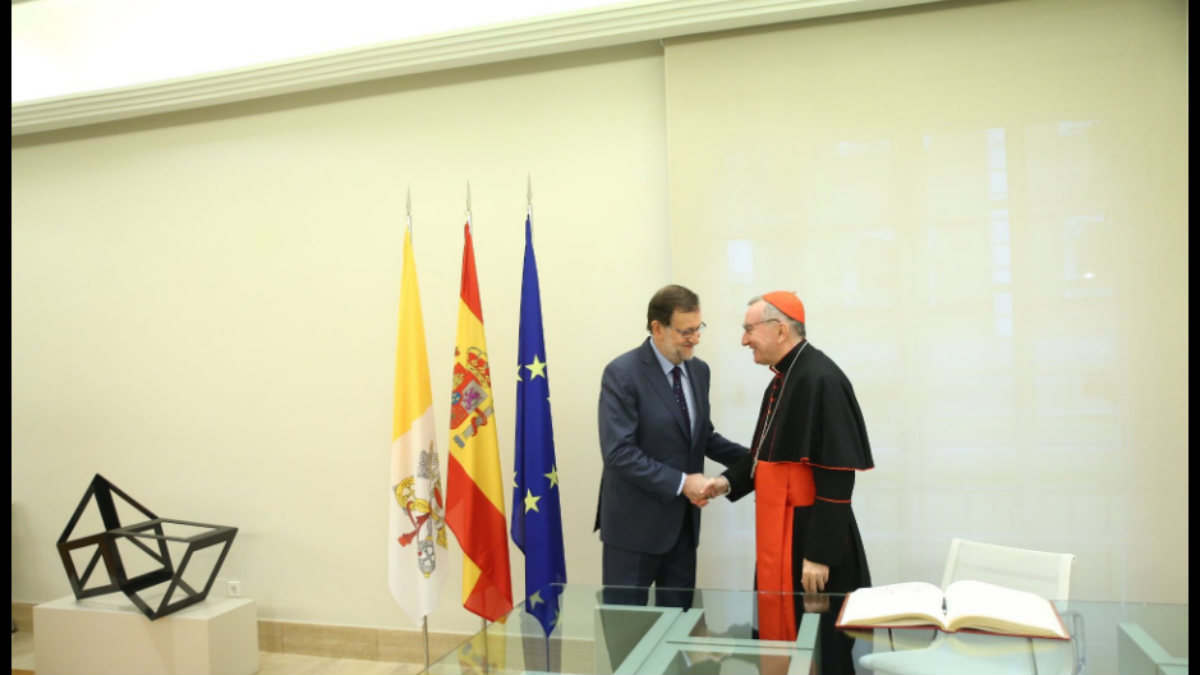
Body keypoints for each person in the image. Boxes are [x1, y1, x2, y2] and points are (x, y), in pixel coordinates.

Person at [705, 291, 873, 673]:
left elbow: (836, 473)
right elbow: (764, 454)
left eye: (749, 329)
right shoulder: (784, 377)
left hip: (811, 538)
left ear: (779, 329)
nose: (743, 339)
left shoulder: (820, 378)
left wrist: (820, 555)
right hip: (783, 533)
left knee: (820, 646)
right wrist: (725, 483)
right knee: (793, 637)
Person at [595, 284, 749, 608]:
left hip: (682, 529)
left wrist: (759, 457)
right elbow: (618, 453)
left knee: (678, 628)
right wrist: (682, 483)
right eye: (685, 331)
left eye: (698, 329)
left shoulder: (699, 370)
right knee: (628, 635)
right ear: (657, 328)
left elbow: (702, 437)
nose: (695, 338)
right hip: (632, 531)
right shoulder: (622, 373)